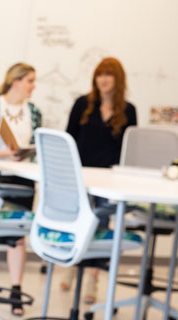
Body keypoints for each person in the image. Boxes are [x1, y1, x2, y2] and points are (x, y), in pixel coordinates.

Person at [62, 57, 137, 303]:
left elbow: (130, 149)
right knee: (79, 220)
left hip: (109, 179)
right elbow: (69, 139)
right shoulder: (82, 104)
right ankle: (72, 265)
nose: (103, 79)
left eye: (108, 75)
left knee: (102, 224)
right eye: (99, 75)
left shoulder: (128, 110)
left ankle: (93, 278)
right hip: (81, 174)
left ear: (118, 80)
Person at [0, 62, 42, 315]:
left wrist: (26, 155)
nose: (33, 86)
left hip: (23, 176)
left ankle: (15, 288)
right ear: (16, 81)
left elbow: (34, 143)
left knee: (17, 234)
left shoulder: (33, 111)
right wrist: (7, 153)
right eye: (30, 81)